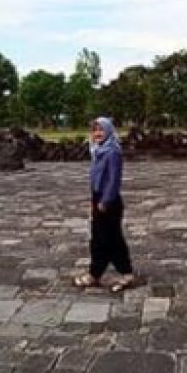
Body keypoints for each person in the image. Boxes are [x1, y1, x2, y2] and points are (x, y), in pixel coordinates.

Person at [74, 117, 135, 291]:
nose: (97, 133)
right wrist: (95, 200)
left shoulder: (113, 151)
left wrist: (105, 200)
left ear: (108, 131)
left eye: (101, 130)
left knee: (111, 239)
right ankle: (96, 273)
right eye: (94, 130)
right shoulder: (97, 150)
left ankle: (124, 273)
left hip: (109, 201)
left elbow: (114, 180)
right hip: (98, 197)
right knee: (99, 238)